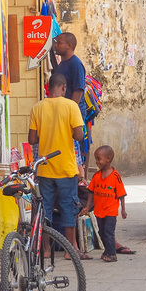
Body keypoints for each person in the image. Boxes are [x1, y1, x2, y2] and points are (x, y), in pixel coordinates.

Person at [28, 73, 91, 260]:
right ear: (63, 88)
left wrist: (47, 134)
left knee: (45, 209)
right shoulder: (71, 106)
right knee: (68, 207)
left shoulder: (37, 107)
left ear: (48, 87)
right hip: (66, 168)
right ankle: (69, 251)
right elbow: (78, 136)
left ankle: (46, 249)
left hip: (44, 168)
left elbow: (32, 139)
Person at [80, 145, 127, 263]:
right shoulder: (96, 176)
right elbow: (91, 192)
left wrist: (123, 210)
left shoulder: (115, 176)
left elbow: (121, 194)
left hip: (111, 211)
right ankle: (107, 251)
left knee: (108, 232)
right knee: (101, 232)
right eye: (96, 159)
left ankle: (112, 254)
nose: (96, 162)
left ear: (108, 159)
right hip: (99, 211)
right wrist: (87, 207)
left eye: (98, 159)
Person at [53, 32, 88, 180]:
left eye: (59, 42)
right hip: (63, 111)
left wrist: (70, 112)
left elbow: (78, 90)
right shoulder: (63, 63)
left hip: (72, 112)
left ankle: (78, 178)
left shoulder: (75, 64)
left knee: (74, 147)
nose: (56, 45)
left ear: (69, 45)